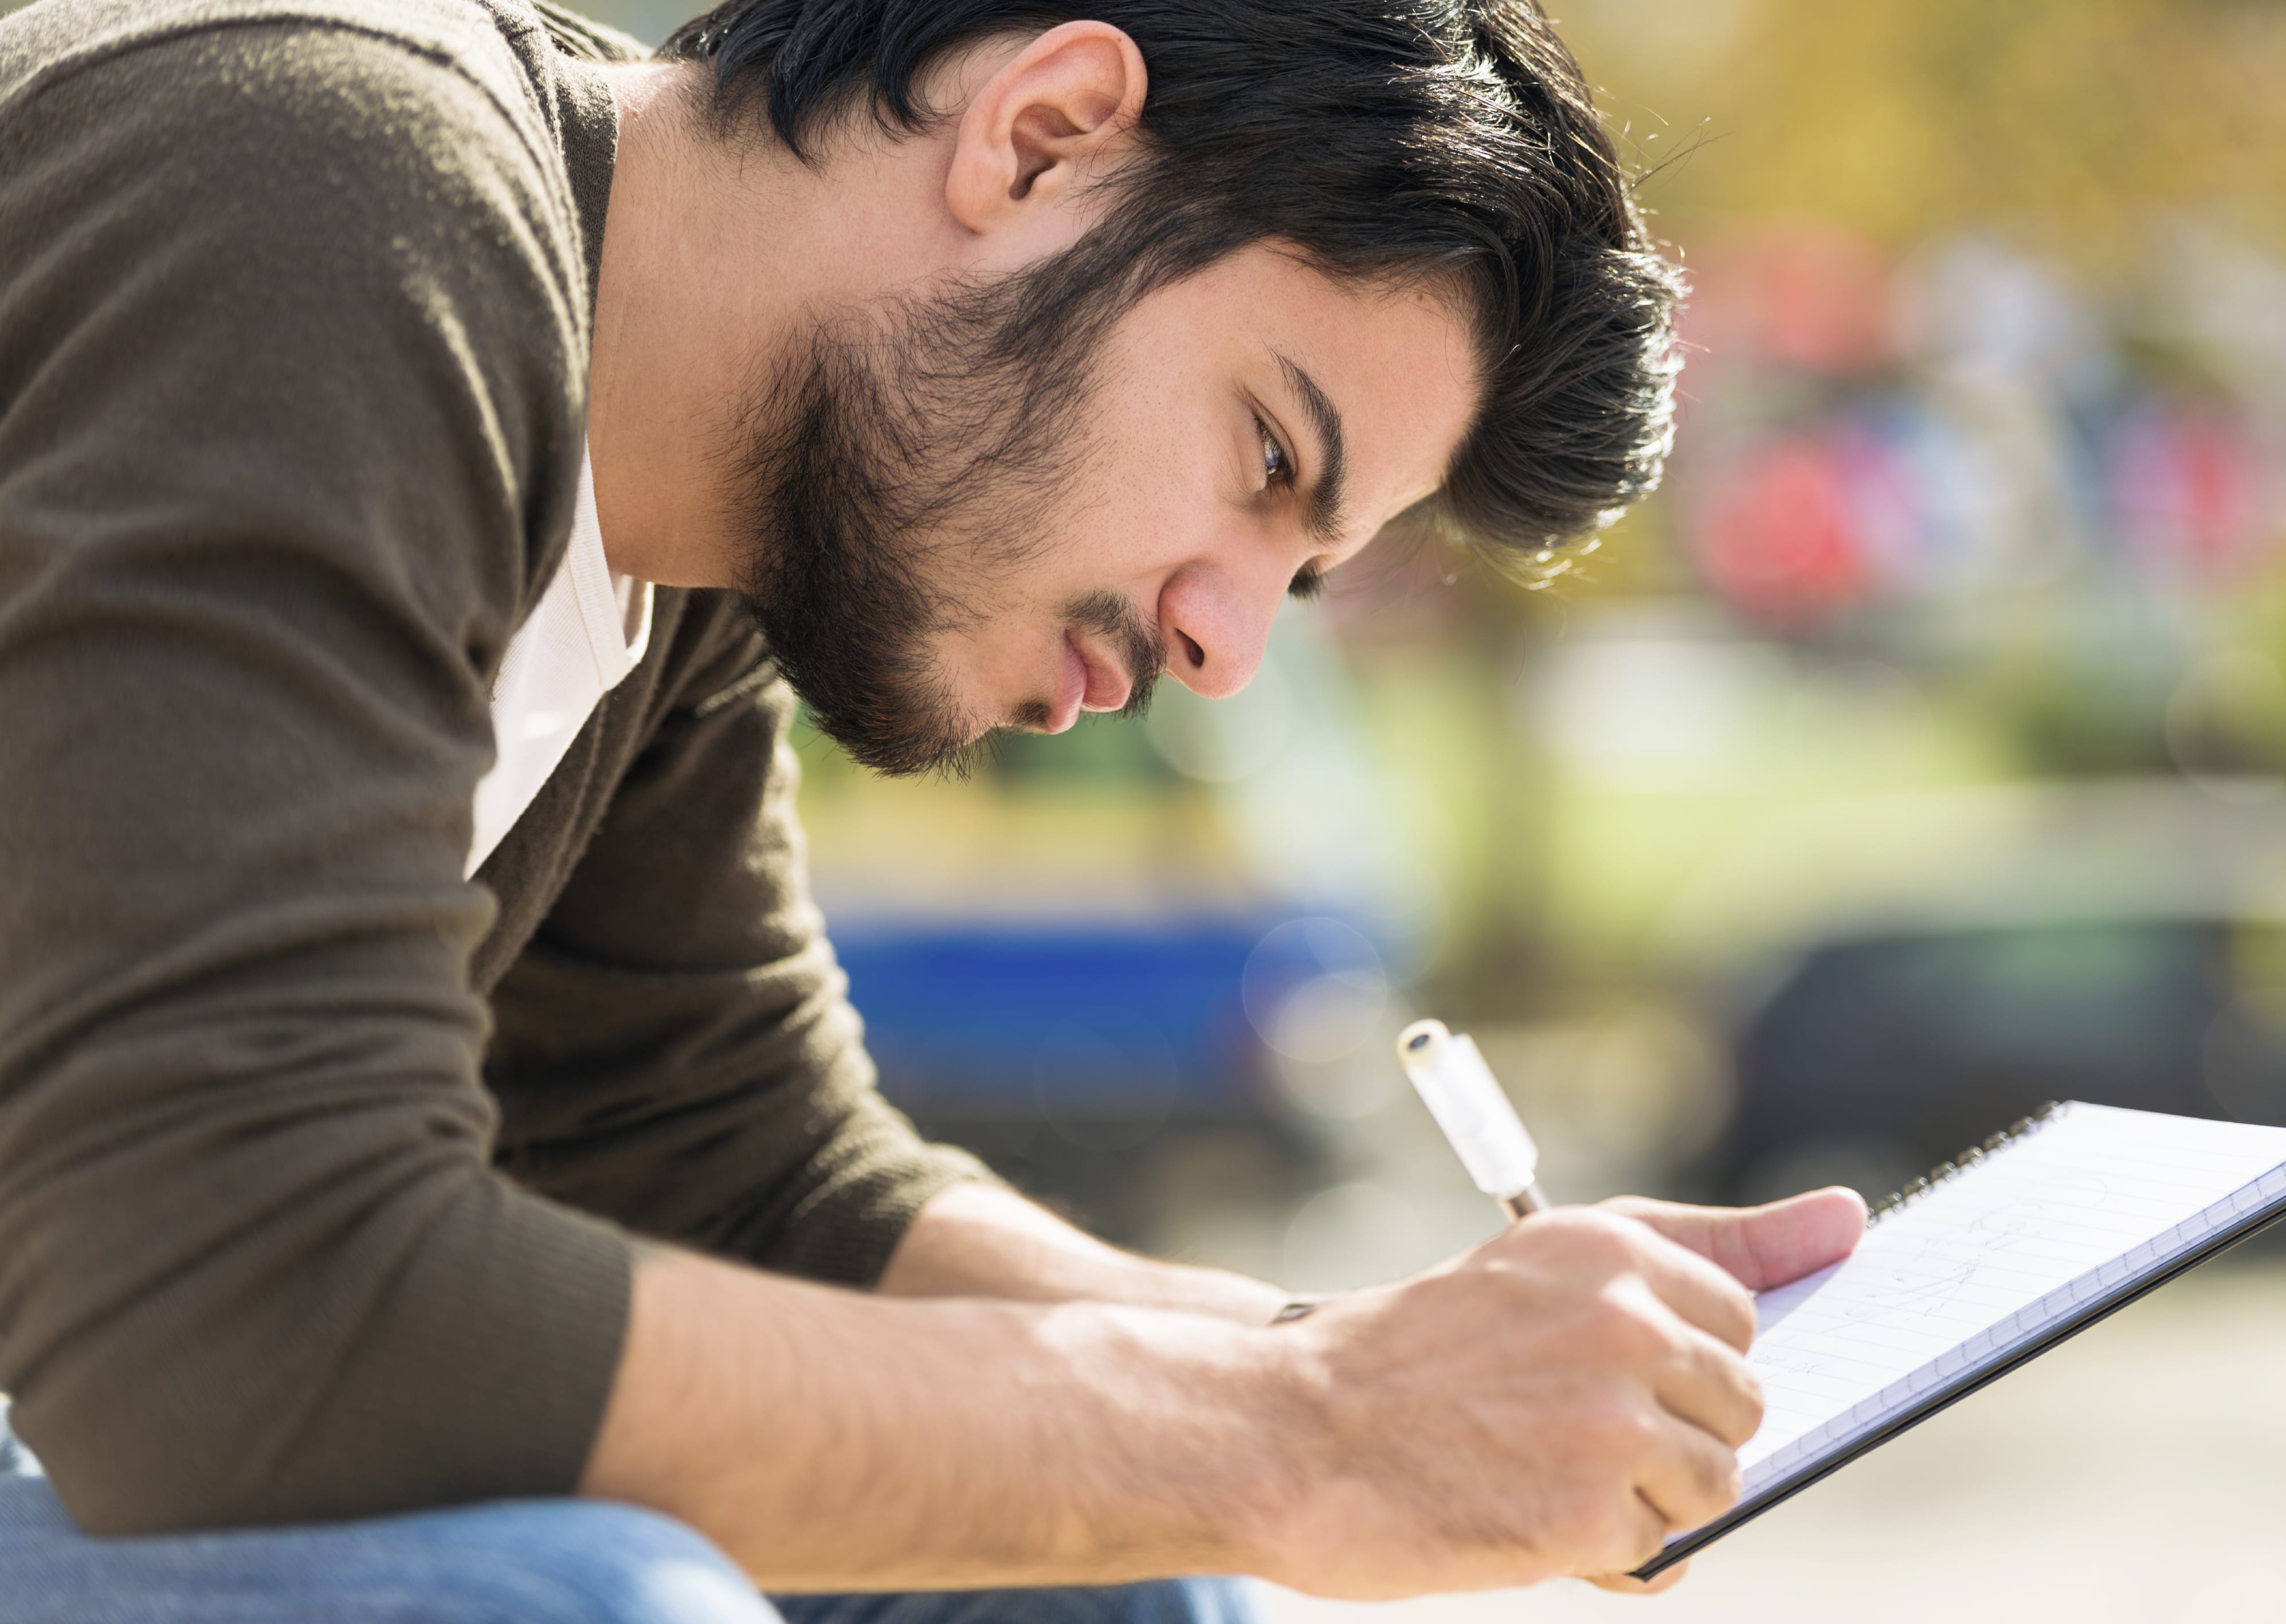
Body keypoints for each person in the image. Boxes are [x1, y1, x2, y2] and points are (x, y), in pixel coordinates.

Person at [0, 0, 1868, 1616]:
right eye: (1268, 457)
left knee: (1104, 1558)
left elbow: (744, 1174)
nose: (1224, 643)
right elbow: (235, 1287)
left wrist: (1388, 1371)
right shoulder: (341, 189)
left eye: (1296, 574)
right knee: (578, 1608)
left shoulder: (687, 513)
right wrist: (1309, 1441)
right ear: (1043, 139)